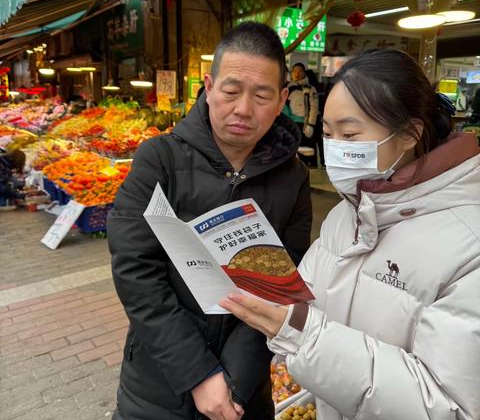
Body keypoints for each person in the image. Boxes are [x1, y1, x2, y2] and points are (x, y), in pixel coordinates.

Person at [221, 49, 480, 420]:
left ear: (409, 134)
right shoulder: (348, 213)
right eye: (328, 133)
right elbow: (306, 297)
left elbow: (450, 407)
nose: (335, 147)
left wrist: (303, 334)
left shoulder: (470, 247)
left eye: (350, 134)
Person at [108, 21, 312, 420]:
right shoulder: (159, 159)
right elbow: (136, 271)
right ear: (209, 85)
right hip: (157, 382)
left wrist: (232, 382)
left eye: (262, 95)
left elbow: (284, 285)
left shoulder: (293, 177)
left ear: (283, 98)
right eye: (231, 91)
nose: (242, 109)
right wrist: (199, 373)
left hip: (245, 388)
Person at [284, 63, 318, 166]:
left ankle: (308, 168)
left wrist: (311, 124)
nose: (297, 73)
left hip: (304, 123)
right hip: (290, 122)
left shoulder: (310, 89)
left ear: (304, 72)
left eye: (300, 71)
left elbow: (314, 107)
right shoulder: (287, 87)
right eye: (295, 71)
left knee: (306, 150)